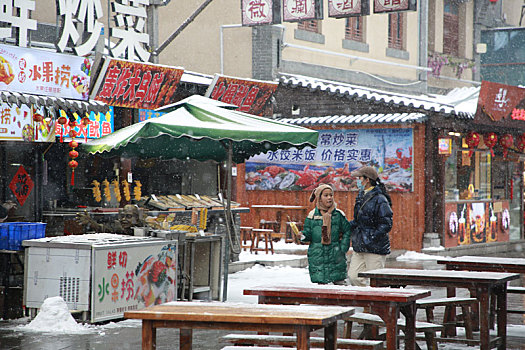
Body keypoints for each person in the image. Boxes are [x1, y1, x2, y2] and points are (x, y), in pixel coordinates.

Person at [348, 166, 393, 286]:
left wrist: (371, 237)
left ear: (367, 179)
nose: (357, 181)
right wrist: (346, 226)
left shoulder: (380, 198)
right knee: (354, 276)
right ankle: (368, 302)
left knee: (376, 282)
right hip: (360, 245)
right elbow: (358, 221)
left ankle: (375, 303)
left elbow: (386, 223)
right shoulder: (361, 195)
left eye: (359, 178)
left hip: (375, 248)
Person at [299, 184, 352, 285]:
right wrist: (303, 236)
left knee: (339, 285)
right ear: (319, 198)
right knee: (321, 287)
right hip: (318, 255)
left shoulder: (338, 215)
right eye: (326, 195)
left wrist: (343, 248)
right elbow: (308, 233)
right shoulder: (312, 216)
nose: (329, 198)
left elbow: (347, 231)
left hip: (335, 255)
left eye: (331, 195)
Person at [75, 204, 145, 235]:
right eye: (122, 216)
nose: (124, 219)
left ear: (136, 219)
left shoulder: (144, 229)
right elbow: (102, 228)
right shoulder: (117, 227)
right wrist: (91, 222)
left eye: (129, 216)